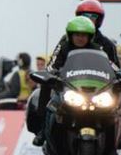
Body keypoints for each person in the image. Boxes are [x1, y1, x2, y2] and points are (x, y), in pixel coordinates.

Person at [31, 16, 100, 146]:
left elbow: (110, 65)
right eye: (77, 35)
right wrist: (52, 72)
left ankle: (115, 142)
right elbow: (51, 65)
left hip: (92, 88)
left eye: (84, 35)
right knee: (46, 84)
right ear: (70, 35)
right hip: (67, 85)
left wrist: (119, 73)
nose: (80, 38)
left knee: (113, 105)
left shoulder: (97, 49)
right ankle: (43, 130)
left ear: (90, 37)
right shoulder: (63, 47)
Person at [74, 0, 118, 64]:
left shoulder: (107, 44)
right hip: (73, 70)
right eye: (86, 16)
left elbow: (115, 68)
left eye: (93, 16)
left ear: (98, 20)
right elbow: (57, 64)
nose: (88, 19)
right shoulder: (67, 40)